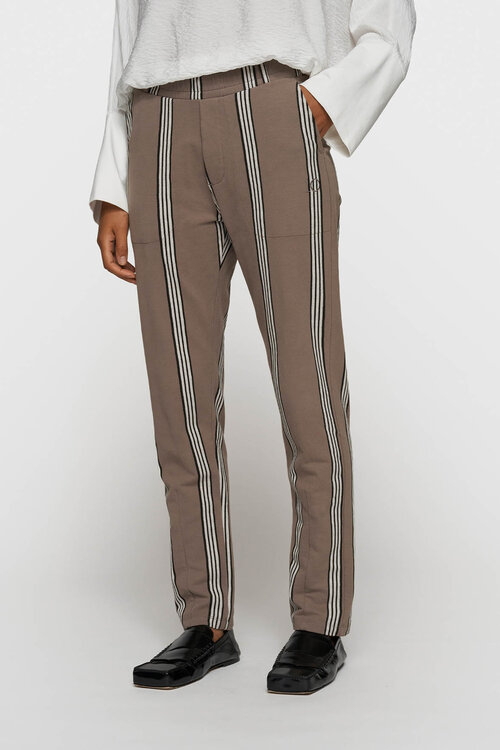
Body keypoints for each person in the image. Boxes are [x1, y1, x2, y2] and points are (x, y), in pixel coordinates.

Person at [89, 0, 416, 695]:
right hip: (158, 121)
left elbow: (389, 20)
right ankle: (204, 619)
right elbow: (130, 26)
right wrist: (113, 180)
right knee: (178, 391)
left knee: (308, 381)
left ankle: (320, 619)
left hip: (272, 106)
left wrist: (321, 105)